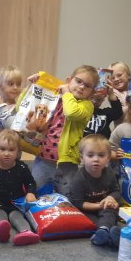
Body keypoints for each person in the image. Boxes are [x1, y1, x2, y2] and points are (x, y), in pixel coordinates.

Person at [31, 65, 97, 195]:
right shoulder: (56, 98)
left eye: (87, 86)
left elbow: (71, 112)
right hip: (43, 158)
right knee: (34, 193)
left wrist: (66, 92)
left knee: (67, 197)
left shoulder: (87, 106)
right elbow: (29, 107)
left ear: (92, 92)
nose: (82, 87)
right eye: (78, 81)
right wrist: (34, 85)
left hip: (67, 164)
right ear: (68, 81)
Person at [67, 135, 122, 248]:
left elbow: (116, 191)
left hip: (104, 207)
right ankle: (107, 233)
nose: (96, 159)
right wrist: (100, 206)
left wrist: (110, 198)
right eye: (90, 155)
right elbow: (78, 203)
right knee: (89, 221)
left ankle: (104, 232)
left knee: (110, 212)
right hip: (86, 209)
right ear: (82, 158)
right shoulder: (79, 179)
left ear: (108, 158)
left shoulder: (109, 172)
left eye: (101, 155)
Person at [0, 129, 40, 245]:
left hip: (16, 204)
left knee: (17, 217)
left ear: (18, 151)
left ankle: (26, 232)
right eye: (2, 149)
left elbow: (30, 183)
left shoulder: (21, 167)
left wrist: (30, 192)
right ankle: (1, 231)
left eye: (11, 150)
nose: (6, 154)